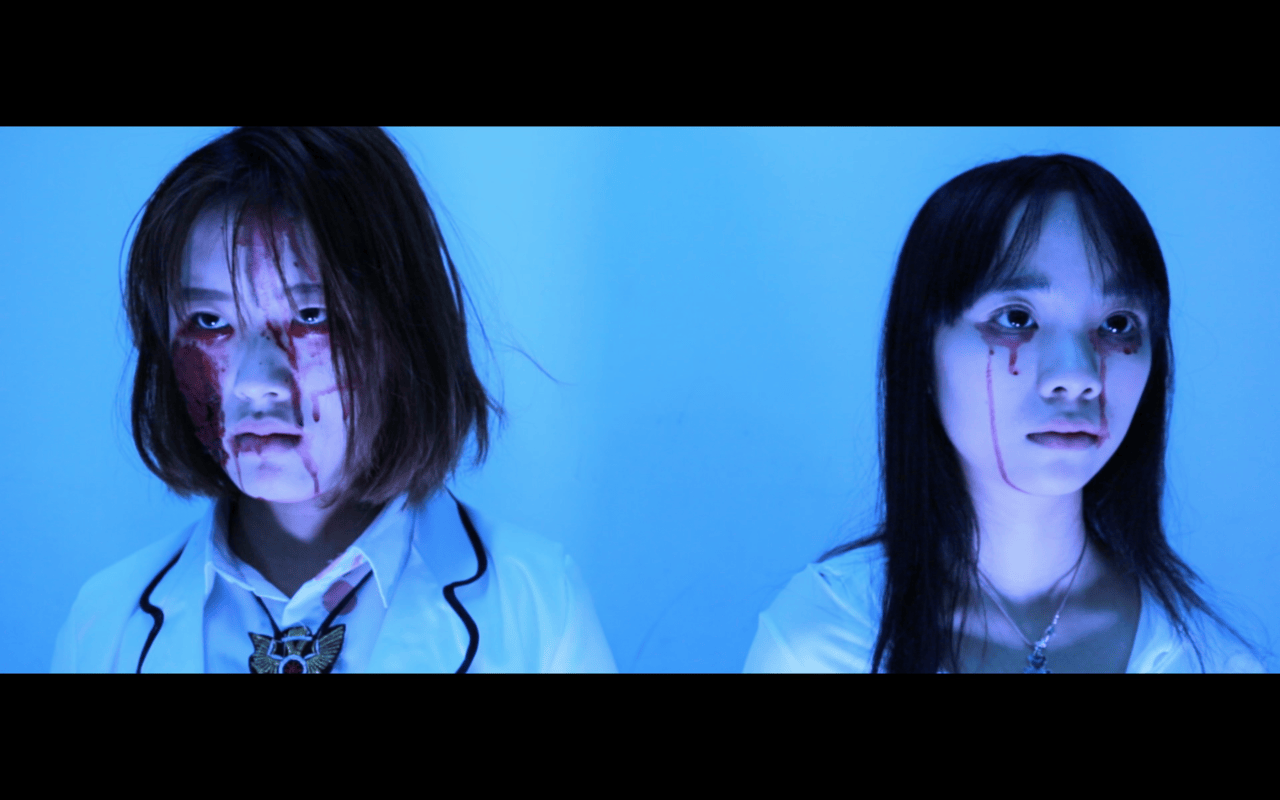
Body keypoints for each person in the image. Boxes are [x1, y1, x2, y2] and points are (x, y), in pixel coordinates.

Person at [52, 127, 616, 673]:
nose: (255, 380)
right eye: (210, 321)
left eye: (310, 315)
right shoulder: (104, 623)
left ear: (405, 329)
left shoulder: (537, 607)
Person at [745, 154, 1265, 673]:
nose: (1078, 374)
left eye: (1117, 324)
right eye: (1016, 318)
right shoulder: (823, 643)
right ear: (922, 349)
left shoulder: (1210, 661)